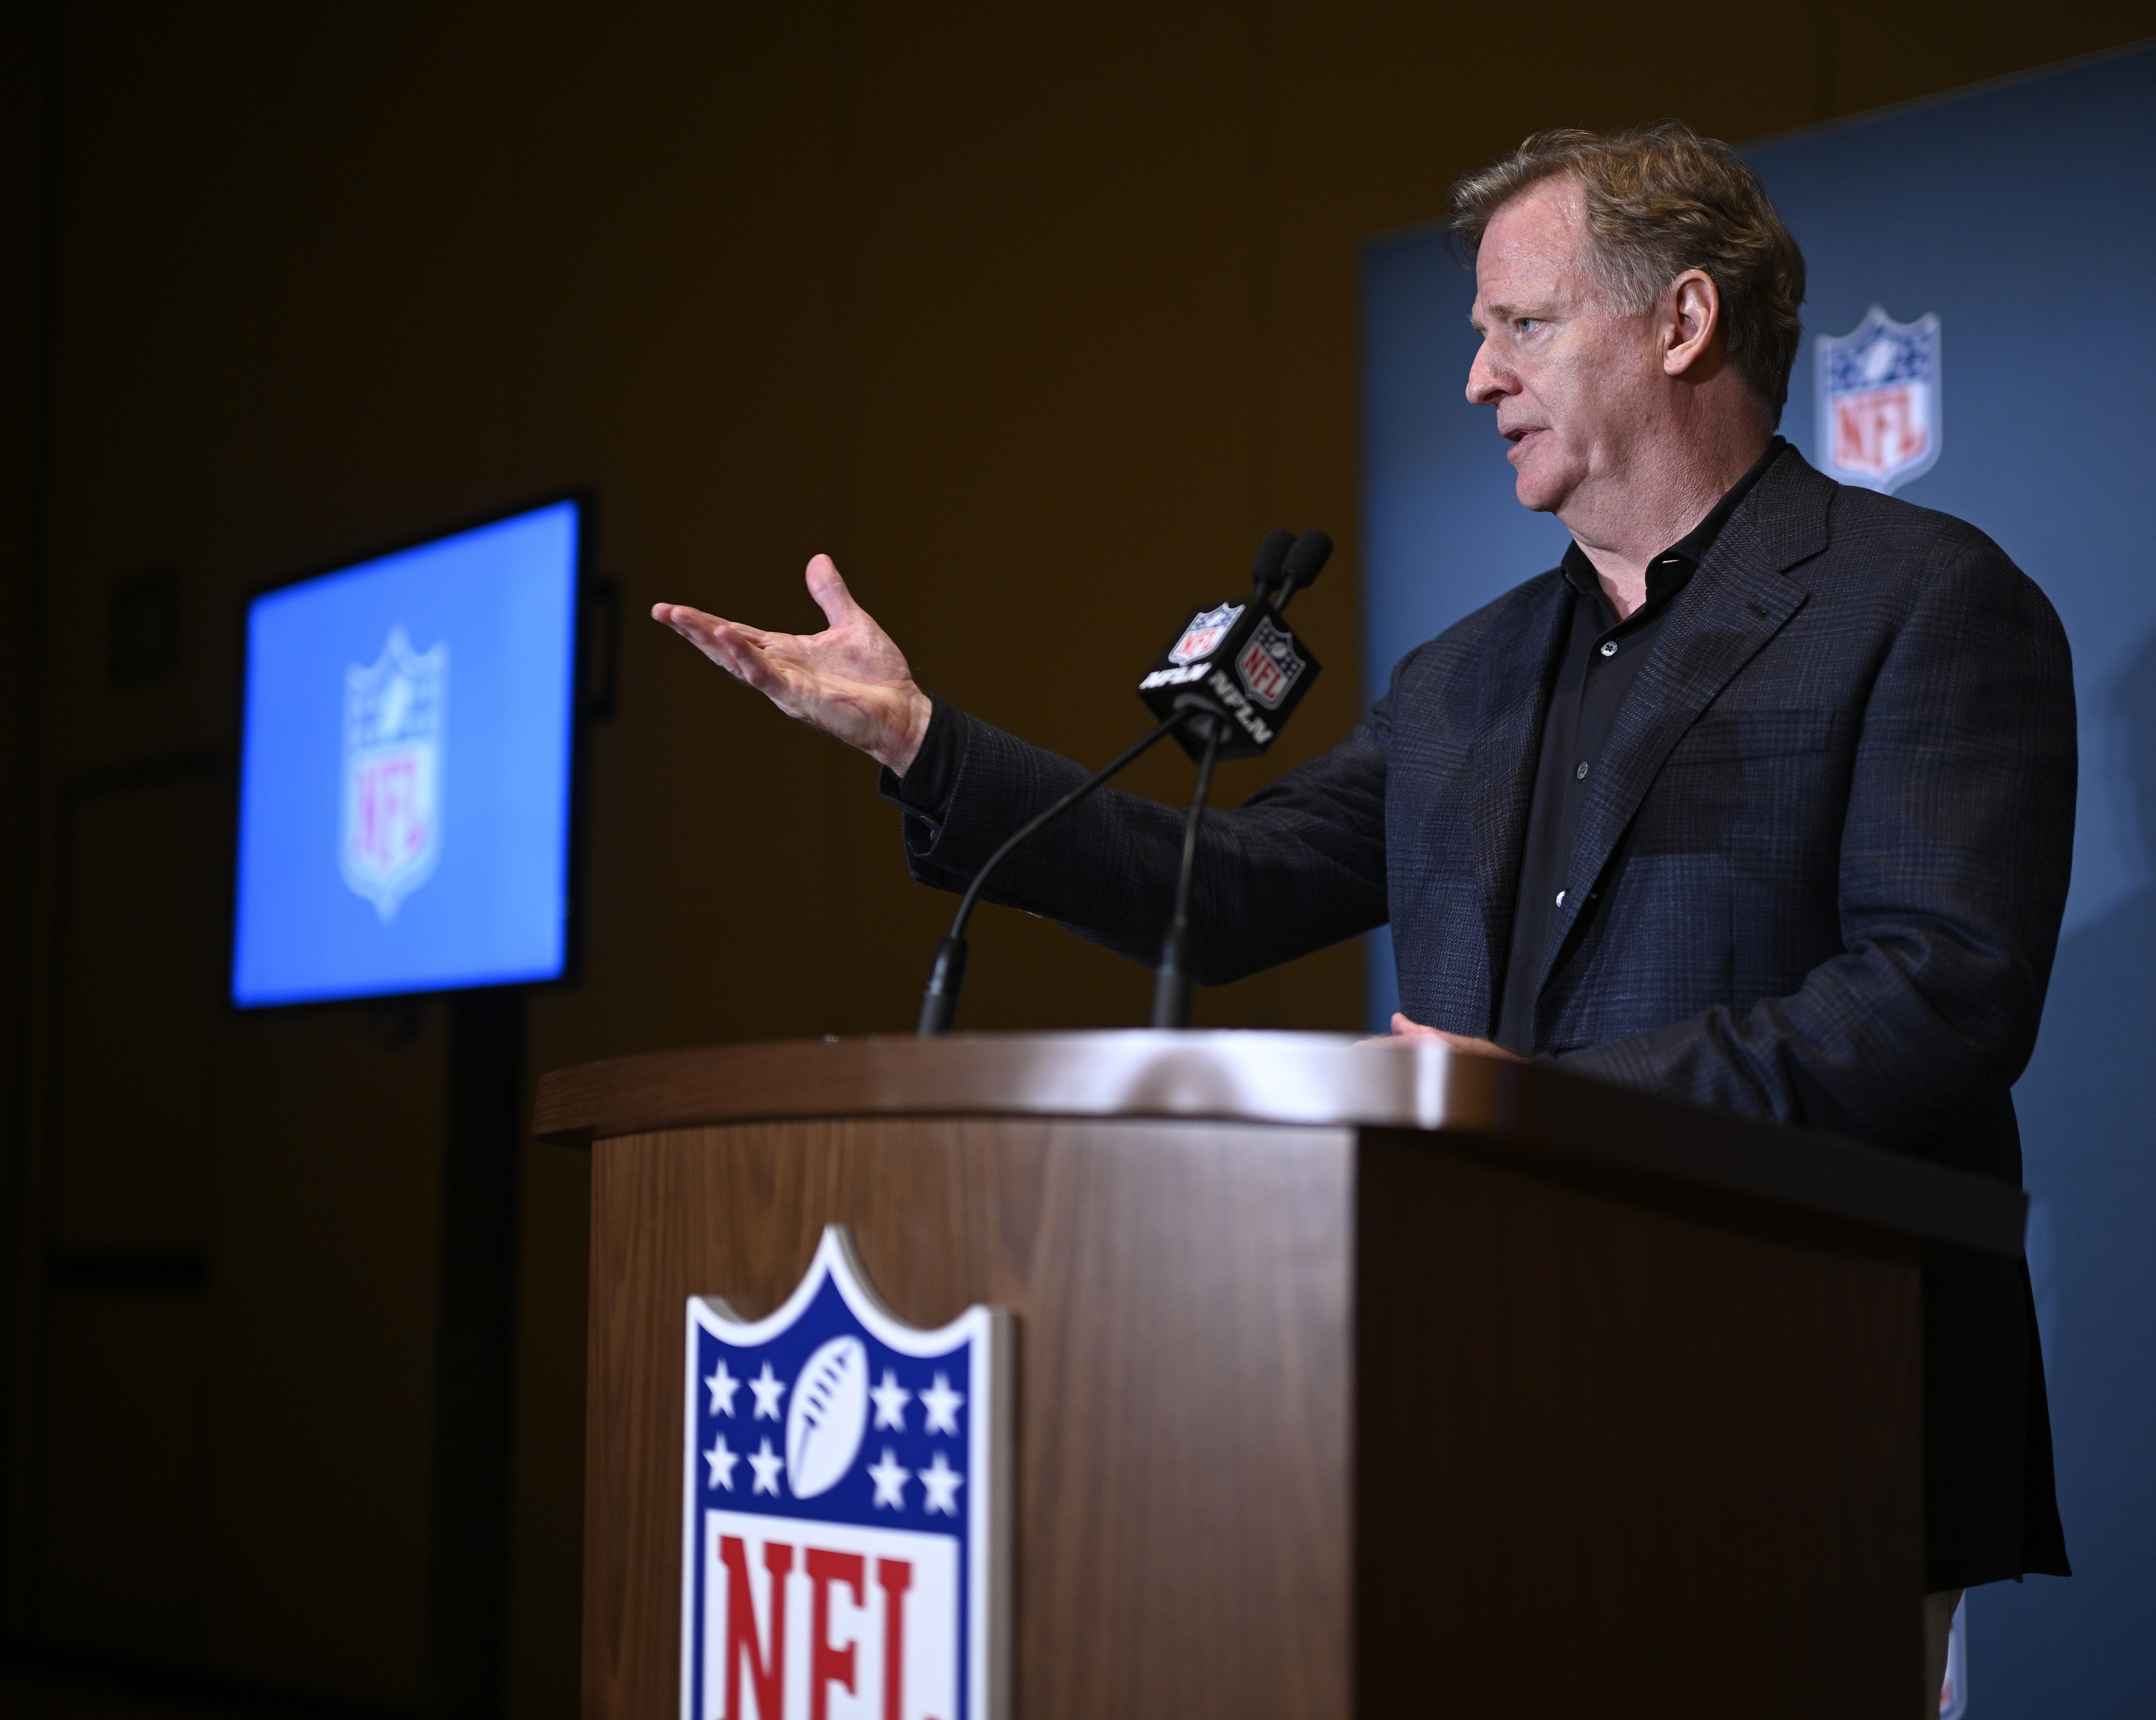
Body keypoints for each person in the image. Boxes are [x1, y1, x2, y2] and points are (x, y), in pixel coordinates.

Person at [655, 123, 2076, 1708]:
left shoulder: (1920, 602)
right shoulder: (1460, 679)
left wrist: (1542, 1117)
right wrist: (925, 743)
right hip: (1470, 1411)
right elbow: (1233, 890)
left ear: (1682, 325)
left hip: (1801, 1422)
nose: (1477, 377)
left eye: (1521, 326)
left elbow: (1943, 990)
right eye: (1479, 332)